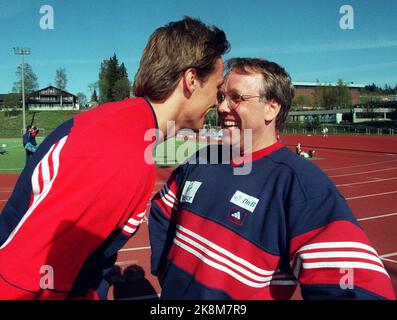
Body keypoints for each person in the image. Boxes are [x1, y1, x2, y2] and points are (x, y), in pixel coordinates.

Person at [0, 16, 230, 300]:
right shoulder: (120, 152)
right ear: (192, 80)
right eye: (217, 89)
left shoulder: (123, 129)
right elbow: (22, 278)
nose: (218, 102)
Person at [149, 58, 395, 300]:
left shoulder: (301, 185)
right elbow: (161, 211)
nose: (223, 107)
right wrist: (166, 275)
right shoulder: (202, 158)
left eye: (237, 98)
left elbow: (357, 288)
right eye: (221, 96)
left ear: (272, 108)